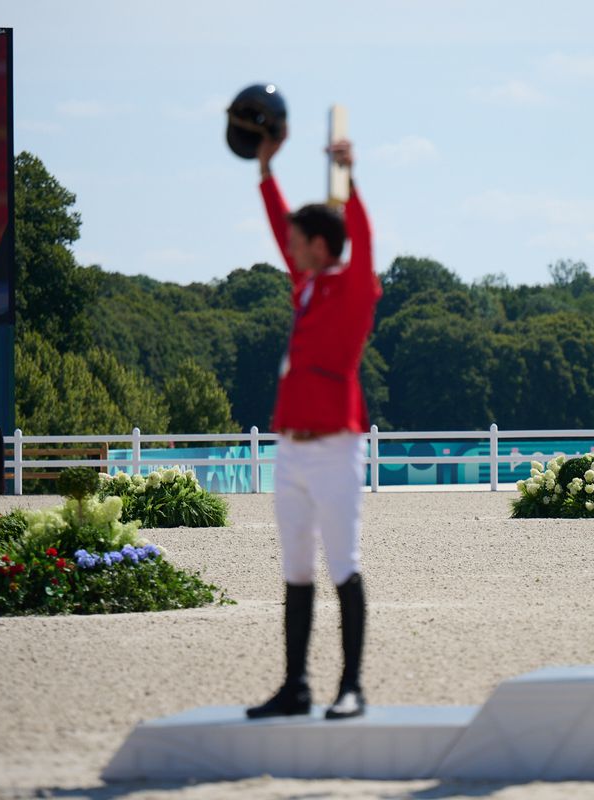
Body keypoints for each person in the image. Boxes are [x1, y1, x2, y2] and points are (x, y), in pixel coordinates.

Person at [245, 123, 382, 720]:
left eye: (301, 241)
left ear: (322, 246)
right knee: (296, 569)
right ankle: (296, 685)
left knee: (342, 565)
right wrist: (266, 172)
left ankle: (350, 686)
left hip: (334, 449)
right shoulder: (305, 286)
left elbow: (365, 241)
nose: (290, 248)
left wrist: (349, 180)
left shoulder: (352, 287)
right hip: (293, 448)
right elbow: (282, 230)